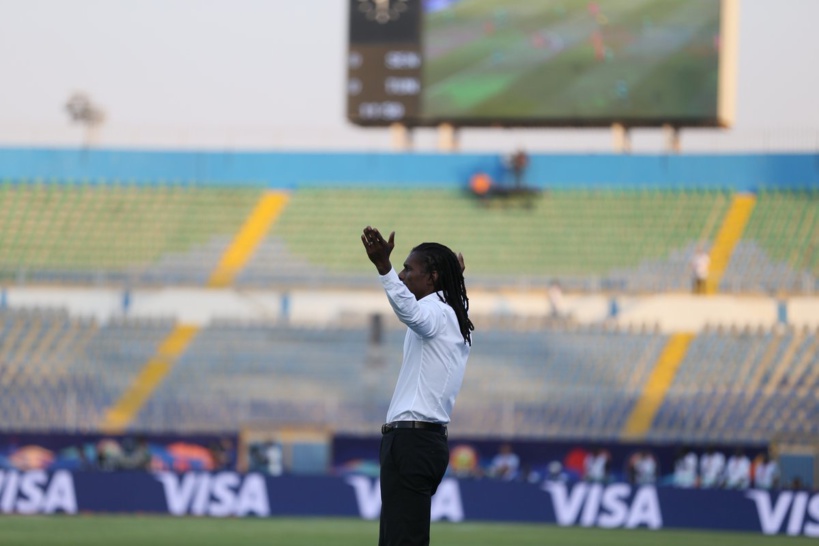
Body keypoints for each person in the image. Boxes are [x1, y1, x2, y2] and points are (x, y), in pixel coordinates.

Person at [361, 225, 474, 546]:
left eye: (410, 269)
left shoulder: (436, 311)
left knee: (402, 541)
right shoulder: (452, 310)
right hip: (420, 441)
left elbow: (412, 314)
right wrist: (456, 280)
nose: (403, 273)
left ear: (433, 277)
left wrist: (383, 268)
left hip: (412, 441)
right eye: (400, 268)